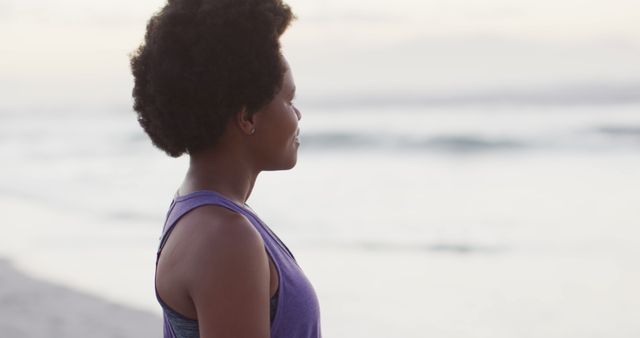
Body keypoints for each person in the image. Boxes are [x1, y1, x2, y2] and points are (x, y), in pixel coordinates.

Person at [129, 0, 321, 337]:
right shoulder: (225, 237)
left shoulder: (202, 213)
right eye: (289, 101)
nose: (298, 115)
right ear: (247, 117)